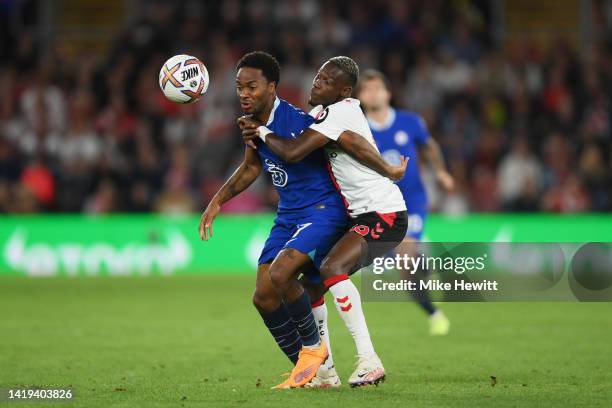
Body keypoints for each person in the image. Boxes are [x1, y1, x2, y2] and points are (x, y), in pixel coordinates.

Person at [240, 56, 409, 387]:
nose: (317, 83)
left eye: (326, 81)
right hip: (358, 216)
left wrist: (260, 129)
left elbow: (291, 152)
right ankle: (325, 371)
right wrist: (387, 168)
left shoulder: (340, 111)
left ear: (344, 91)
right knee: (312, 285)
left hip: (384, 213)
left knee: (332, 269)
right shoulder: (323, 116)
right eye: (317, 76)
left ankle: (369, 360)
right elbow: (354, 143)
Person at [357, 69, 454, 335]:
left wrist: (442, 172)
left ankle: (435, 315)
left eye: (378, 87)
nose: (373, 93)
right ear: (361, 97)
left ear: (388, 92)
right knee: (406, 264)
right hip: (378, 204)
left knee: (404, 262)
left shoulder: (410, 121)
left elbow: (430, 146)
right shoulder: (358, 129)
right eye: (367, 89)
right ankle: (432, 301)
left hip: (412, 201)